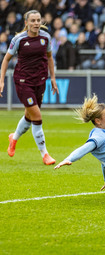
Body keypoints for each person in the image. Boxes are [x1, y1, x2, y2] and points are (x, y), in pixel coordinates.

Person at [0, 10, 59, 165]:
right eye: (32, 20)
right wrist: (1, 81)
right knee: (37, 117)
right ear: (26, 22)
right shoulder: (19, 39)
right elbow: (6, 60)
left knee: (29, 116)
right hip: (23, 81)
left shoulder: (46, 37)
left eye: (38, 20)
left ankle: (14, 138)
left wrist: (52, 78)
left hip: (40, 80)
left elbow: (50, 58)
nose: (36, 23)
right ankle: (45, 154)